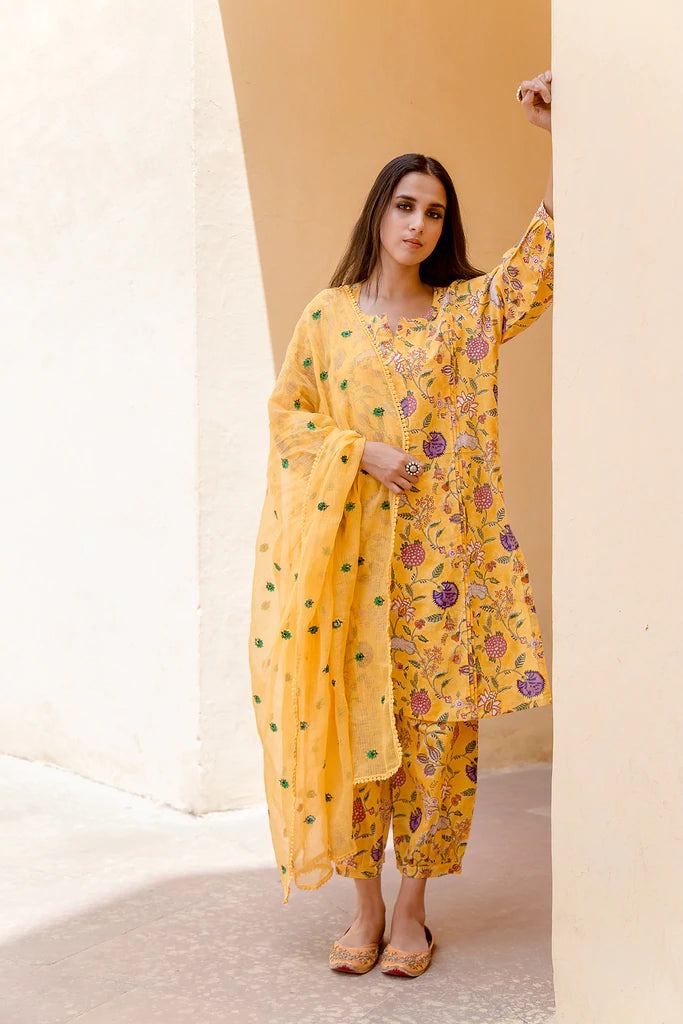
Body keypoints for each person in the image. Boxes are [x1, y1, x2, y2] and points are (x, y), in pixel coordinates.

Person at [249, 69, 554, 978]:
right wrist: (361, 453)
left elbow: (540, 262)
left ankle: (413, 911)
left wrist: (561, 136)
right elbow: (288, 419)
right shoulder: (329, 317)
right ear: (378, 214)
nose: (417, 224)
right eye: (404, 206)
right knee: (356, 734)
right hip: (352, 573)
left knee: (434, 745)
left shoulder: (464, 313)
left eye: (433, 212)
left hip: (442, 577)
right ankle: (365, 907)